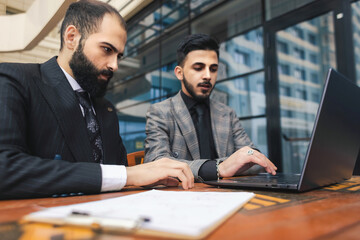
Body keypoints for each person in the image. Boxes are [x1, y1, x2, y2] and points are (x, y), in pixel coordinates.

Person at [0, 0, 193, 200]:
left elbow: (121, 176)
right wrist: (129, 175)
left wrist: (139, 178)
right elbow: (5, 168)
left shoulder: (106, 109)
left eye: (119, 55)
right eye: (107, 50)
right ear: (72, 37)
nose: (115, 65)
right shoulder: (15, 80)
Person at [144, 33, 277, 181]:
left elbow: (254, 158)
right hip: (183, 197)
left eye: (213, 69)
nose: (208, 75)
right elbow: (155, 164)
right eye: (199, 68)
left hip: (228, 195)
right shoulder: (160, 112)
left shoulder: (227, 114)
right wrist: (220, 168)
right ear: (179, 73)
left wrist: (238, 162)